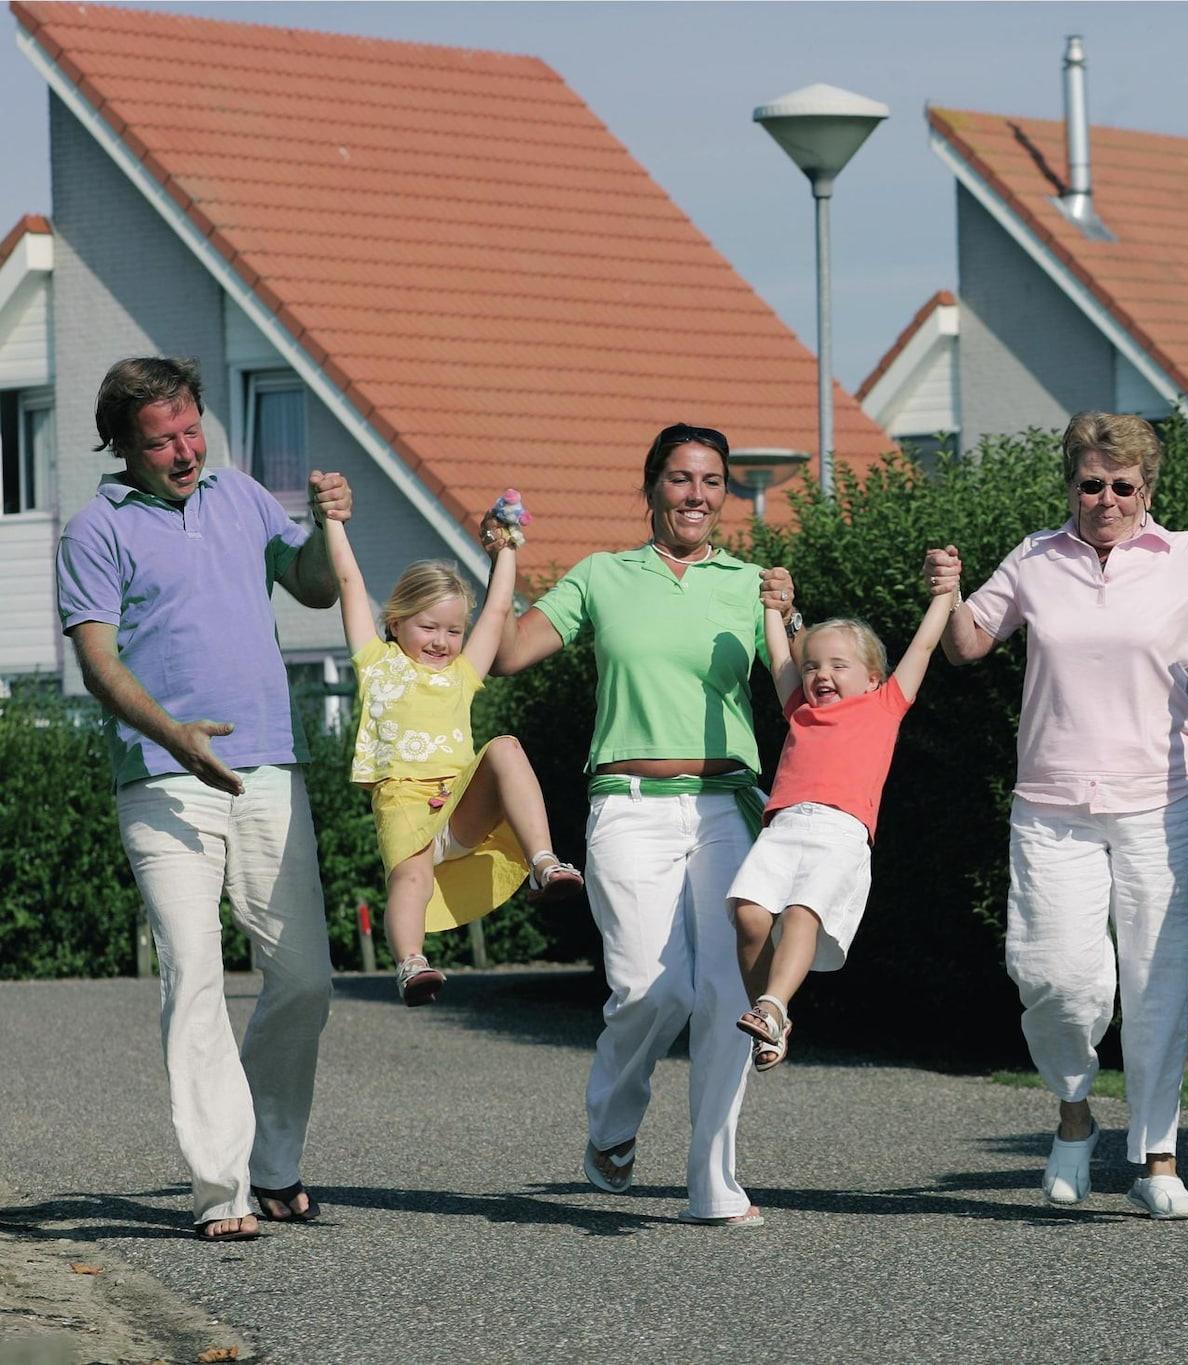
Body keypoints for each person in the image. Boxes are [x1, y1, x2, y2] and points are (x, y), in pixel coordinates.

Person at [924, 411, 1188, 1221]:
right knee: (1055, 977)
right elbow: (968, 644)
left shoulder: (1186, 557)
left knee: (1159, 982)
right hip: (1051, 805)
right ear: (1071, 485)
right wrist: (947, 594)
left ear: (1147, 489)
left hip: (1163, 805)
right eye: (1091, 484)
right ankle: (1074, 1114)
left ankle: (1159, 1161)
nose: (1107, 499)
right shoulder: (1034, 557)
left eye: (1123, 485)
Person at [55, 357, 344, 1241]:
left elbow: (315, 585)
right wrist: (174, 733)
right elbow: (97, 661)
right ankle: (223, 1188)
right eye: (162, 441)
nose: (185, 452)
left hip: (269, 766)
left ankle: (273, 1159)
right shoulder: (95, 530)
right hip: (162, 776)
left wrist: (327, 525)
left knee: (306, 977)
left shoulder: (243, 495)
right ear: (122, 445)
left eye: (191, 431)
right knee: (194, 974)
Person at [490, 421, 794, 1228]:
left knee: (727, 991)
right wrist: (504, 557)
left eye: (711, 481)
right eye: (680, 478)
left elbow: (800, 696)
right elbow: (508, 653)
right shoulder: (602, 575)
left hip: (727, 804)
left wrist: (786, 619)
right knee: (649, 989)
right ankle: (613, 1123)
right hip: (627, 804)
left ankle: (714, 1183)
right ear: (652, 486)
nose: (697, 494)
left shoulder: (749, 582)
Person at [324, 512, 583, 1006]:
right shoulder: (377, 665)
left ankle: (544, 863)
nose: (441, 642)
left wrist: (506, 550)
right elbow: (350, 582)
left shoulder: (462, 674)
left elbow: (498, 610)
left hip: (459, 804)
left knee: (505, 747)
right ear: (395, 622)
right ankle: (411, 964)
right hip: (404, 806)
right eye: (428, 627)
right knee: (412, 878)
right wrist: (332, 521)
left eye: (453, 631)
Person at [729, 580, 955, 1070]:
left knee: (802, 914)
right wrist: (771, 608)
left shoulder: (885, 705)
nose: (821, 674)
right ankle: (770, 1020)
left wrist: (945, 594)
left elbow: (923, 646)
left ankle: (772, 1006)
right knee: (748, 915)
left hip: (839, 833)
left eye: (837, 665)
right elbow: (779, 658)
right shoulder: (801, 711)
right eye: (812, 666)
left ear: (873, 678)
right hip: (783, 828)